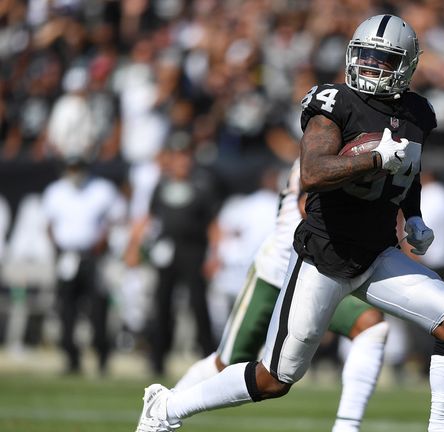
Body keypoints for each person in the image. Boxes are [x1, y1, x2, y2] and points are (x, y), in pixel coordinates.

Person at [134, 14, 444, 432]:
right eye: (365, 56)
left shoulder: (418, 113)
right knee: (273, 378)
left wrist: (415, 216)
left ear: (405, 66)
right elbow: (312, 172)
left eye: (382, 59)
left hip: (377, 254)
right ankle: (166, 408)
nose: (370, 66)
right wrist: (372, 158)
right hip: (325, 255)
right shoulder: (335, 103)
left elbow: (409, 173)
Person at [172, 160, 390, 432]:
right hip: (276, 273)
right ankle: (164, 409)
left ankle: (347, 426)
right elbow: (308, 208)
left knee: (371, 326)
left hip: (321, 273)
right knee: (227, 363)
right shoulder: (323, 148)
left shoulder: (362, 150)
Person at [124, 131, 219, 376]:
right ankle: (157, 359)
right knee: (162, 304)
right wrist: (133, 246)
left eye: (184, 157)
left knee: (198, 304)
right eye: (176, 157)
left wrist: (214, 256)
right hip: (166, 250)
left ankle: (208, 357)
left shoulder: (202, 185)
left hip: (194, 250)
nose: (181, 162)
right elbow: (147, 218)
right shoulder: (161, 185)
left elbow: (212, 224)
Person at [42, 156, 123, 374]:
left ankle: (101, 355)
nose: (74, 172)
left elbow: (116, 218)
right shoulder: (55, 191)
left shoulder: (101, 189)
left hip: (93, 257)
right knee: (66, 309)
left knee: (98, 308)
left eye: (78, 167)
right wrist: (57, 251)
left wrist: (103, 241)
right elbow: (49, 224)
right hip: (67, 256)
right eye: (71, 167)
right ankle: (70, 357)